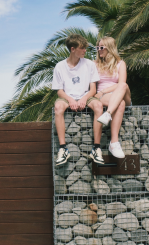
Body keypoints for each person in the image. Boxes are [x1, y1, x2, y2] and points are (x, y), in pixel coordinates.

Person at [52, 34, 105, 166]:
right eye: (82, 48)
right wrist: (70, 100)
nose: (85, 50)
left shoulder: (89, 64)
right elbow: (59, 91)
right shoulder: (59, 66)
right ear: (73, 49)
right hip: (67, 97)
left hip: (86, 96)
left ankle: (96, 148)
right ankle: (63, 149)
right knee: (58, 107)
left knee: (98, 106)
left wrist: (83, 99)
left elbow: (93, 89)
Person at [94, 37, 132, 159]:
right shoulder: (95, 64)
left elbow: (121, 83)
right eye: (97, 47)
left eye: (101, 47)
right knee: (119, 104)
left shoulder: (121, 64)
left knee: (123, 85)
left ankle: (108, 113)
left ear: (109, 48)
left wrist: (104, 90)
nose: (99, 50)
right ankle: (114, 143)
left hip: (120, 93)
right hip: (104, 96)